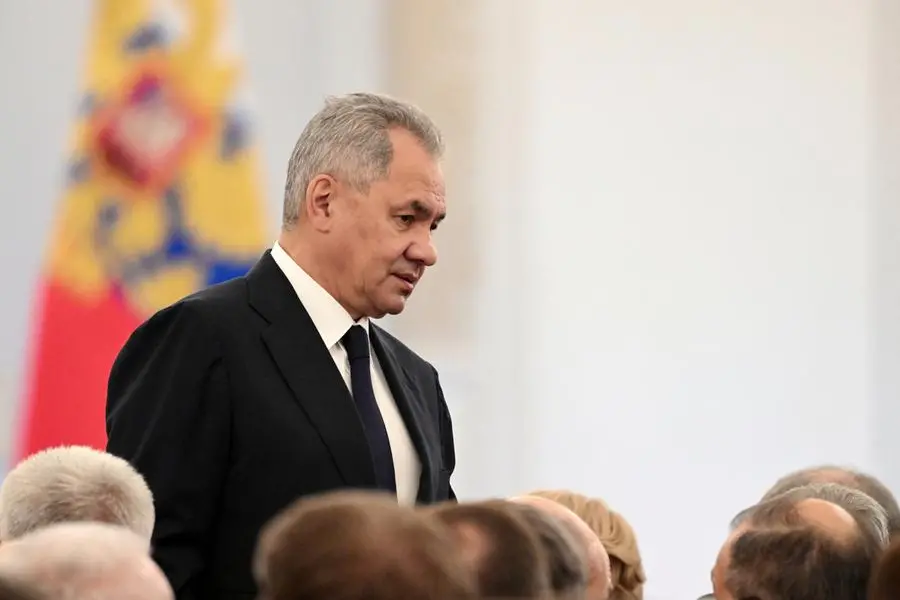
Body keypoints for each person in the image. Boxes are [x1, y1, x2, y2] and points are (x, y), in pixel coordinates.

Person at [106, 92, 457, 600]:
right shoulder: (201, 338)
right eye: (407, 218)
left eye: (433, 225)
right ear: (324, 202)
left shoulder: (418, 380)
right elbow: (148, 566)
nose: (427, 251)